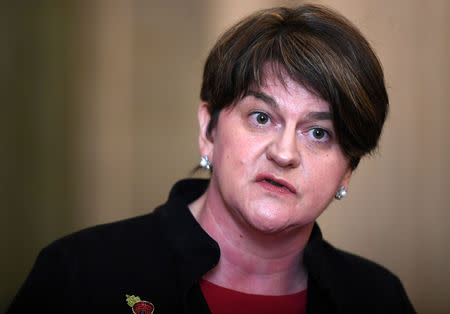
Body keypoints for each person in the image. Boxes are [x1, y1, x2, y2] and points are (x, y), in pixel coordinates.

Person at [8, 4, 416, 314]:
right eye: (261, 117)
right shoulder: (80, 273)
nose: (284, 153)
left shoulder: (378, 298)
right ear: (209, 129)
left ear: (348, 168)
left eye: (318, 133)